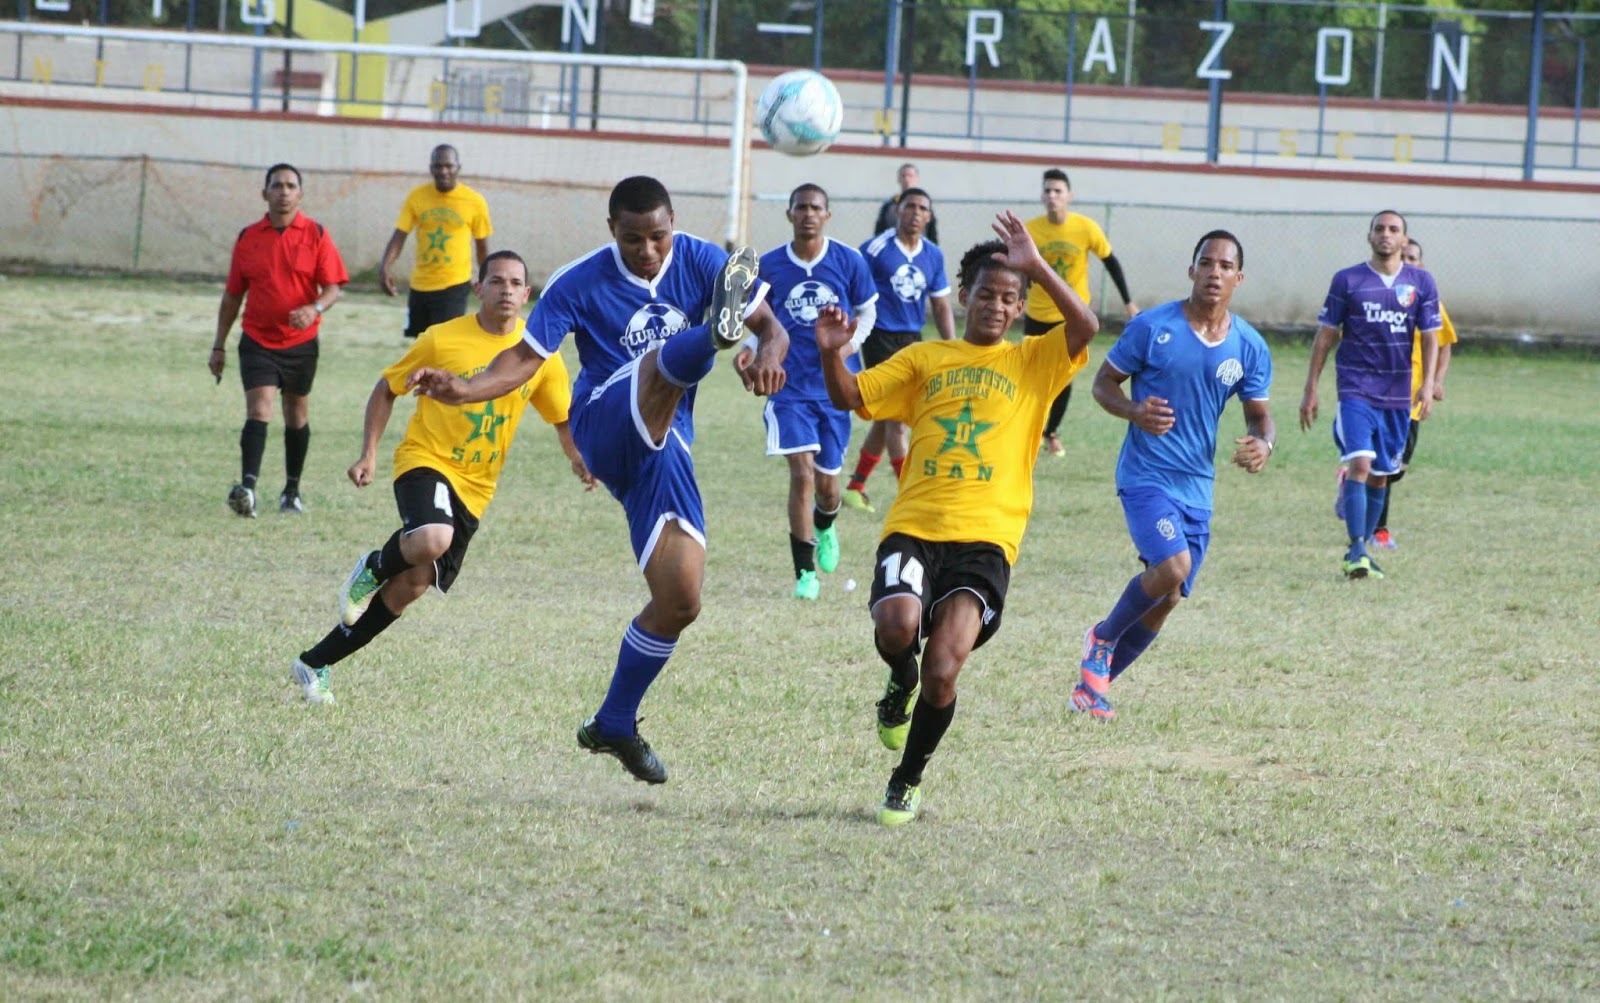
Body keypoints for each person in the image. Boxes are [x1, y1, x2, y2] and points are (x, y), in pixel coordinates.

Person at [406, 176, 789, 785]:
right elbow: (523, 360)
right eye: (633, 239)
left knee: (681, 600)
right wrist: (465, 388)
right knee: (659, 364)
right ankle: (713, 333)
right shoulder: (577, 280)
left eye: (658, 237)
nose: (648, 250)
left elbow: (772, 326)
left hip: (665, 448)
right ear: (612, 230)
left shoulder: (700, 258)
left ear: (673, 224)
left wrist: (769, 348)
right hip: (604, 420)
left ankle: (614, 721)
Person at [815, 211, 1099, 826]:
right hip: (915, 524)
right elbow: (849, 396)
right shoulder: (925, 358)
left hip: (986, 541)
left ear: (1021, 306)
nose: (996, 306)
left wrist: (1038, 266)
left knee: (946, 666)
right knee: (897, 630)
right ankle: (899, 679)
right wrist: (832, 353)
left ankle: (907, 778)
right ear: (964, 295)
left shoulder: (1034, 362)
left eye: (1010, 297)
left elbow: (1086, 324)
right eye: (986, 294)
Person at [291, 252, 593, 704]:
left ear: (527, 294)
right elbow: (387, 387)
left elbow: (562, 419)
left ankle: (316, 663)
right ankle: (372, 567)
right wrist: (368, 454)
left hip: (476, 487)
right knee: (432, 537)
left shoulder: (540, 355)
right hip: (425, 459)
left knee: (409, 586)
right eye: (496, 281)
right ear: (479, 288)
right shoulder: (441, 339)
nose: (506, 290)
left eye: (515, 283)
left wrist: (578, 458)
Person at [1074, 231, 1273, 721]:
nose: (1214, 273)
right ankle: (1101, 637)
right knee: (1173, 568)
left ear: (1238, 278)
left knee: (1169, 599)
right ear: (1191, 271)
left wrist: (1263, 443)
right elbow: (1102, 385)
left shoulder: (1248, 345)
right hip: (1146, 475)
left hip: (1197, 487)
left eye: (1225, 266)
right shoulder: (1152, 327)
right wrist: (1133, 411)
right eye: (1206, 263)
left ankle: (1092, 689)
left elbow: (1259, 415)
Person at [742, 183, 878, 600]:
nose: (807, 214)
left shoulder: (848, 261)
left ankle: (826, 524)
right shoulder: (769, 266)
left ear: (827, 215)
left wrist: (847, 348)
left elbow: (868, 310)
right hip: (787, 387)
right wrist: (751, 351)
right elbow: (761, 319)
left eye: (815, 208)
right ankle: (805, 573)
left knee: (828, 488)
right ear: (789, 215)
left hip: (835, 390)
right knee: (801, 474)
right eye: (800, 208)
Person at [1301, 210, 1440, 580]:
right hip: (1355, 389)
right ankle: (1356, 548)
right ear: (1369, 236)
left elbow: (1430, 336)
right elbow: (1326, 335)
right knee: (1361, 464)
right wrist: (1311, 388)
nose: (1386, 234)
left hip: (1397, 394)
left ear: (1404, 240)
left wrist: (1427, 384)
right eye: (1379, 228)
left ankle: (1363, 546)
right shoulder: (1347, 280)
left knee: (1382, 475)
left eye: (1394, 230)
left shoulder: (1421, 283)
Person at [209, 163, 349, 518]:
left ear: (300, 195)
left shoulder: (316, 234)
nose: (283, 192)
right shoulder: (249, 237)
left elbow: (333, 288)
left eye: (290, 186)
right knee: (259, 410)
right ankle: (249, 490)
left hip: (301, 343)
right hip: (257, 340)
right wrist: (219, 344)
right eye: (277, 186)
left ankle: (291, 491)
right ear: (264, 193)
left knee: (295, 413)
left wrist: (314, 308)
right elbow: (232, 296)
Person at [841, 188, 956, 514]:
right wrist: (849, 334)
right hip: (880, 336)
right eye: (910, 207)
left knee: (888, 415)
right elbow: (851, 287)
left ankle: (855, 487)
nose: (916, 213)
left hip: (913, 338)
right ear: (898, 211)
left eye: (922, 208)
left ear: (929, 216)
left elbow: (941, 304)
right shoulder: (876, 249)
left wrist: (953, 347)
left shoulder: (933, 254)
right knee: (897, 419)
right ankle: (909, 492)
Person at [1023, 168, 1140, 458]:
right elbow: (1022, 269)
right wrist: (1017, 299)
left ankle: (1051, 433)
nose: (1052, 196)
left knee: (1064, 377)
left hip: (1071, 317)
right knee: (1033, 377)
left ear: (1069, 196)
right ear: (1042, 196)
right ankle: (1031, 431)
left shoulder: (1085, 227)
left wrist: (1128, 303)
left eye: (1058, 191)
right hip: (1037, 314)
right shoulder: (1031, 229)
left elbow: (1111, 262)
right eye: (1047, 191)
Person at [1367, 237, 1458, 550]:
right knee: (1383, 464)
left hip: (1414, 400)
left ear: (1421, 264)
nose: (1408, 261)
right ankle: (1378, 530)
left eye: (1414, 257)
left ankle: (1353, 482)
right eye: (1404, 256)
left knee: (1397, 469)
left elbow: (1444, 343)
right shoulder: (1379, 296)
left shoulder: (1427, 300)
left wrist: (1434, 382)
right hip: (1380, 396)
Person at [377, 144, 493, 339]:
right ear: (431, 168)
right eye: (438, 166)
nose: (444, 171)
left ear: (458, 168)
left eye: (449, 166)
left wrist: (489, 281)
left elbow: (482, 249)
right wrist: (385, 267)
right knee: (420, 346)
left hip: (454, 286)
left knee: (445, 345)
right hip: (420, 286)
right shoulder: (417, 197)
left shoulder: (474, 201)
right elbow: (399, 236)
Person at [871, 162, 939, 245]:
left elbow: (932, 235)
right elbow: (879, 233)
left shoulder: (925, 206)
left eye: (910, 176)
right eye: (903, 176)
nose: (907, 179)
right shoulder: (889, 206)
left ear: (917, 179)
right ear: (898, 179)